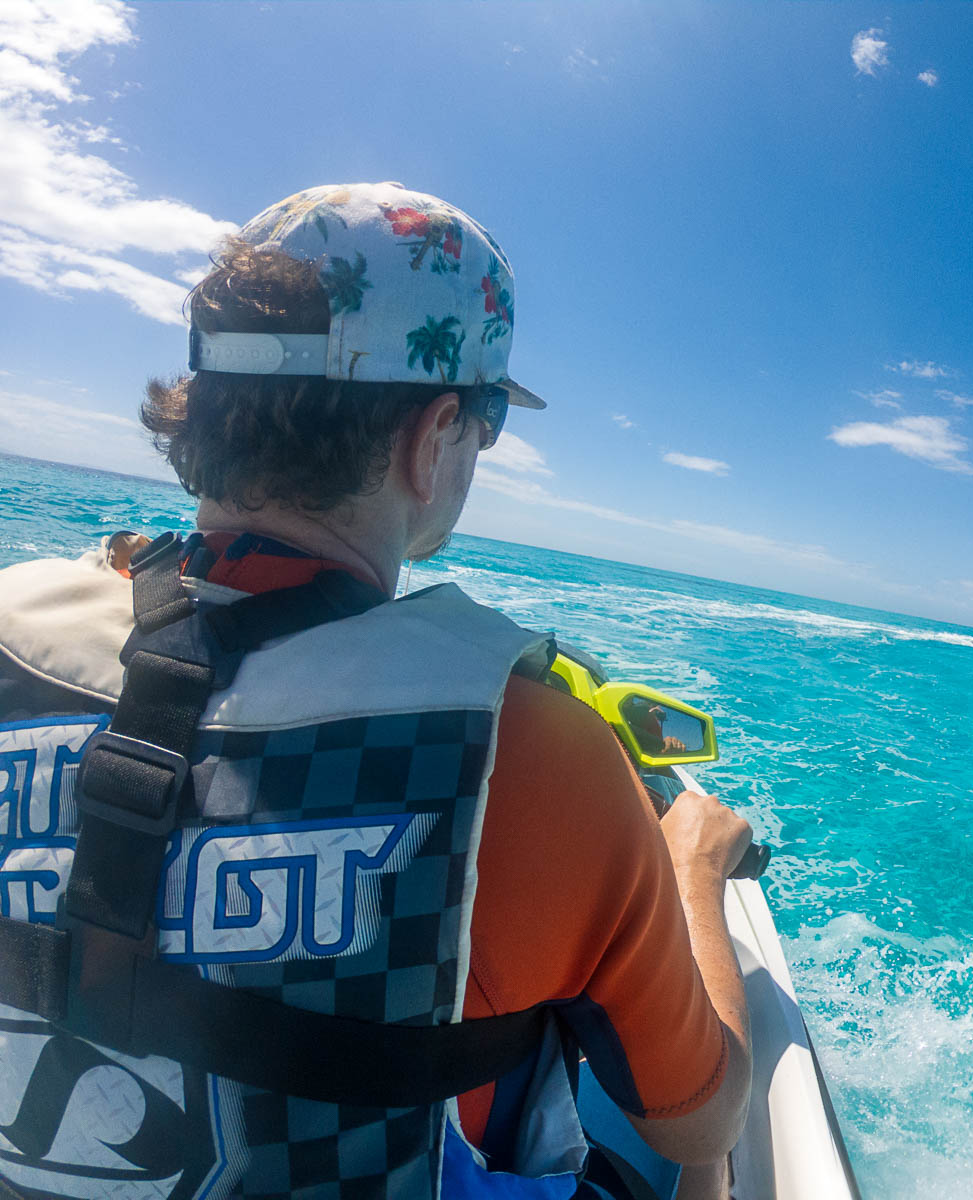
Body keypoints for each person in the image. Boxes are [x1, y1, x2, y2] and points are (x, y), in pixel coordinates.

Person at [0, 184, 749, 1200]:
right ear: (431, 435)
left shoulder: (12, 622)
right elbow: (704, 1117)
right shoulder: (526, 749)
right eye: (480, 431)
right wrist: (693, 870)